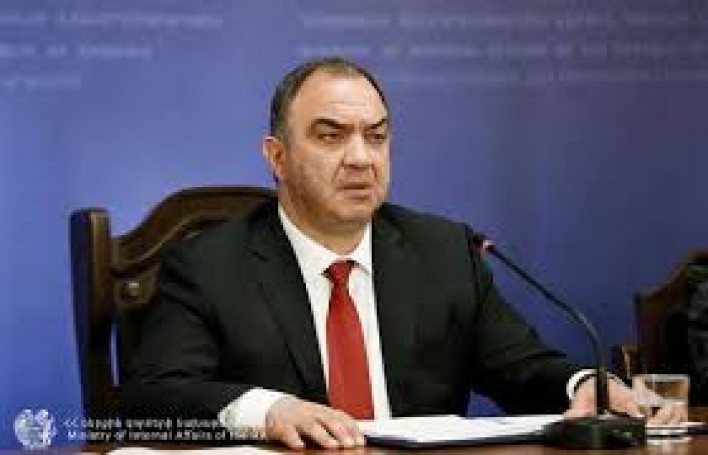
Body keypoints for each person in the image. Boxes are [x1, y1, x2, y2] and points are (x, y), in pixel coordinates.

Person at [121, 57, 675, 450]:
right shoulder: (210, 266)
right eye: (331, 136)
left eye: (377, 136)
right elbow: (152, 398)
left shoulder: (444, 252)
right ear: (278, 157)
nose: (361, 158)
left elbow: (522, 368)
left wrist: (586, 387)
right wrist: (269, 411)